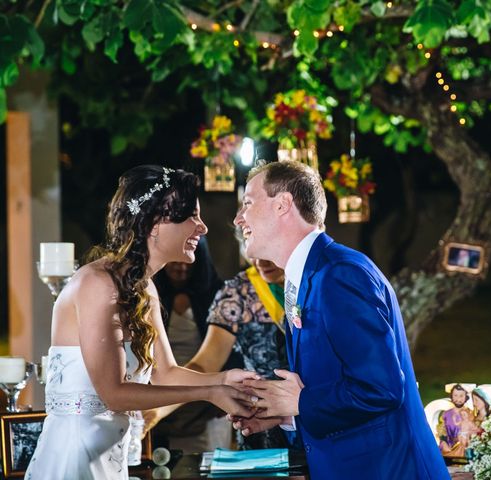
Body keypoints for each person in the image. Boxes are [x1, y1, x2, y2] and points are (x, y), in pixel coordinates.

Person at [26, 165, 258, 480]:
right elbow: (113, 394)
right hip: (75, 460)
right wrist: (207, 392)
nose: (202, 228)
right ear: (154, 223)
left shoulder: (143, 286)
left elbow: (167, 373)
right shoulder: (97, 283)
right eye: (191, 215)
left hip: (111, 457)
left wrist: (224, 380)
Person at [231, 161, 450, 479]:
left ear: (283, 205)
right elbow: (337, 385)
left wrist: (302, 402)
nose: (239, 218)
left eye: (248, 203)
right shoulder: (312, 274)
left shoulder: (339, 274)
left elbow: (381, 388)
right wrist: (288, 413)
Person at [145, 257, 292, 450]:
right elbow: (205, 365)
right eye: (253, 252)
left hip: (317, 409)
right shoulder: (238, 292)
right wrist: (159, 409)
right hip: (261, 421)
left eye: (267, 251)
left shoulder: (316, 284)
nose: (261, 262)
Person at [149, 237, 243, 453]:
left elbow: (215, 359)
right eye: (174, 260)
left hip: (206, 399)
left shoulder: (219, 294)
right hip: (161, 391)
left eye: (188, 261)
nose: (181, 267)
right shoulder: (151, 294)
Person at [437, 384, 476, 458]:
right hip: (448, 448)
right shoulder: (446, 414)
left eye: (461, 396)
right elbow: (442, 432)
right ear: (451, 396)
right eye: (455, 395)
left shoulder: (470, 414)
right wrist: (444, 443)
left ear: (466, 397)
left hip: (464, 448)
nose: (458, 399)